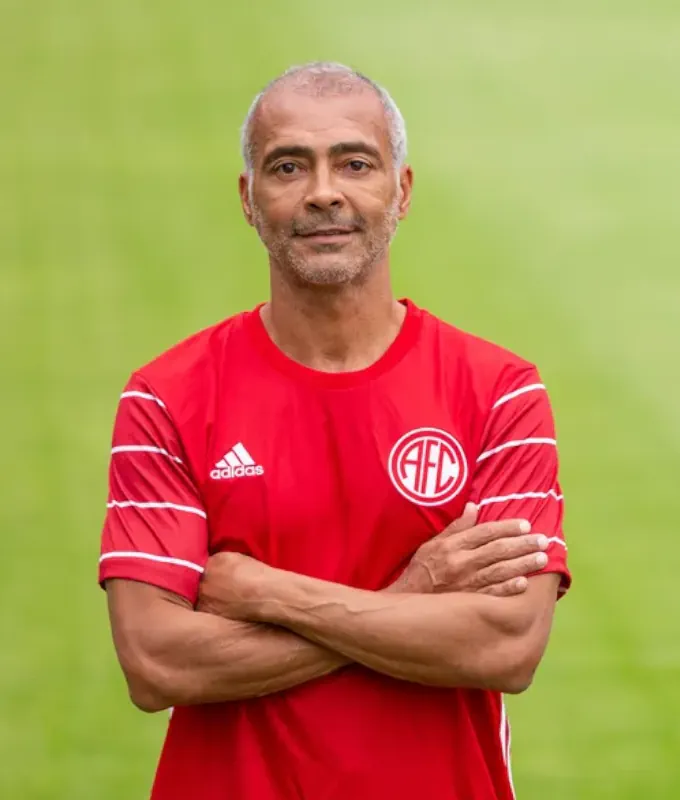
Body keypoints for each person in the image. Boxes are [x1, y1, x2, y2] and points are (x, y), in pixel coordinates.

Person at [97, 61, 571, 800]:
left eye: (355, 163)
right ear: (249, 200)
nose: (324, 192)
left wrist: (268, 592)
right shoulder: (166, 397)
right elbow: (158, 664)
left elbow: (506, 644)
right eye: (289, 166)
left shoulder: (500, 392)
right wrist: (416, 593)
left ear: (401, 191)